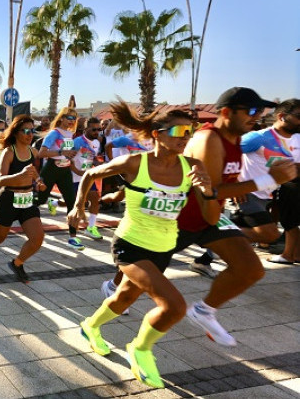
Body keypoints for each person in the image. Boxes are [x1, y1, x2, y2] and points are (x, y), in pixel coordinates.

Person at [101, 87, 296, 348]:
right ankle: (112, 291)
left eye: (261, 111)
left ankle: (204, 310)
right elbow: (209, 190)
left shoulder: (238, 138)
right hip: (177, 218)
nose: (257, 116)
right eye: (251, 110)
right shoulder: (208, 139)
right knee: (130, 290)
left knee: (250, 269)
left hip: (209, 217)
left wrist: (241, 185)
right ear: (226, 112)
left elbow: (224, 178)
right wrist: (268, 179)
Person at [70, 103, 218, 389]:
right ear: (157, 134)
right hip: (130, 245)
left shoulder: (194, 167)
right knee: (173, 307)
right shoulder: (135, 163)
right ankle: (140, 348)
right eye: (178, 130)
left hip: (163, 248)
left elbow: (211, 217)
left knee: (123, 298)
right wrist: (78, 207)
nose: (185, 137)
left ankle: (90, 325)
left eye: (190, 131)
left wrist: (209, 192)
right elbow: (90, 175)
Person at [0, 115, 46, 283]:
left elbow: (33, 170)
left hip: (27, 198)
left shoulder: (33, 151)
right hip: (8, 198)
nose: (30, 135)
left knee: (37, 238)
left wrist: (38, 181)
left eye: (32, 131)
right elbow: (0, 180)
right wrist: (20, 175)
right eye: (26, 131)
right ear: (16, 133)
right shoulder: (9, 152)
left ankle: (17, 263)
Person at [235, 99, 300, 253]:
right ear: (282, 116)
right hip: (249, 193)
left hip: (269, 195)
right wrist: (235, 184)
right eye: (299, 116)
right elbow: (226, 156)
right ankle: (214, 236)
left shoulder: (297, 140)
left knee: (245, 229)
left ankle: (204, 257)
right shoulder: (258, 137)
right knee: (269, 234)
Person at [36, 107, 83, 250]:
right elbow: (41, 154)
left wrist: (71, 156)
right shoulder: (54, 133)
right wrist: (62, 151)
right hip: (51, 169)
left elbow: (66, 153)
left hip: (65, 170)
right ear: (61, 118)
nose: (72, 121)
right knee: (40, 200)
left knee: (72, 202)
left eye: (74, 118)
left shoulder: (70, 133)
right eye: (69, 117)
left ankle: (73, 237)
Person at [70, 117, 104, 240]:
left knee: (95, 198)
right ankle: (55, 202)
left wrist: (99, 163)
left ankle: (91, 227)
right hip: (74, 177)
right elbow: (67, 159)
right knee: (76, 204)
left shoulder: (97, 143)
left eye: (99, 129)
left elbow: (92, 158)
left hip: (87, 177)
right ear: (86, 129)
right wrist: (78, 171)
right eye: (94, 129)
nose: (97, 132)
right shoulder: (77, 142)